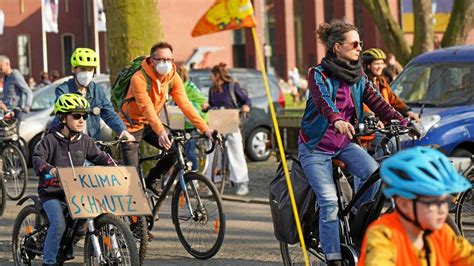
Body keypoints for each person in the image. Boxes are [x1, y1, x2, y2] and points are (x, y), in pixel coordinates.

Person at [298, 19, 411, 265]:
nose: (360, 48)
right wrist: (336, 119)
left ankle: (354, 223)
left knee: (375, 175)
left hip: (343, 143)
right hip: (315, 147)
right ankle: (333, 256)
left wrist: (403, 122)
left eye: (361, 43)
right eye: (355, 44)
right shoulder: (317, 74)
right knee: (329, 202)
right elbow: (323, 101)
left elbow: (378, 102)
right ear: (337, 47)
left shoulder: (358, 75)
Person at [119, 42, 214, 195]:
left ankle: (152, 178)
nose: (166, 63)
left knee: (175, 151)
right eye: (161, 59)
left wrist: (205, 129)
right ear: (151, 60)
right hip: (130, 125)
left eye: (169, 59)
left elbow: (185, 105)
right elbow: (146, 107)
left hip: (150, 123)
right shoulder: (139, 77)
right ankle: (136, 215)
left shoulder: (172, 77)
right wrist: (161, 131)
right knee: (133, 175)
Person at [33, 93, 115, 265]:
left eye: (84, 116)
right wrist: (50, 169)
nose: (82, 120)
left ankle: (67, 243)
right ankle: (49, 261)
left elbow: (99, 156)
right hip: (52, 193)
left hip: (76, 190)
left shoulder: (85, 140)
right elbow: (37, 159)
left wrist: (114, 166)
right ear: (63, 118)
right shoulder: (50, 140)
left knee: (85, 221)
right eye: (76, 115)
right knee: (59, 224)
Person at [359, 147, 473, 265]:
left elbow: (466, 256)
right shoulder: (383, 235)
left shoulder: (442, 234)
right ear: (404, 204)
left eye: (445, 201)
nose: (443, 210)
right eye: (434, 203)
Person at [50, 48, 135, 141]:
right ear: (74, 69)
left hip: (92, 144)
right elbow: (61, 117)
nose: (86, 73)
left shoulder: (97, 91)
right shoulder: (63, 90)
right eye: (82, 69)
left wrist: (123, 131)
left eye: (90, 69)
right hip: (69, 143)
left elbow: (109, 114)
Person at [205, 62, 251, 196]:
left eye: (212, 75)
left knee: (236, 150)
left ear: (216, 75)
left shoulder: (232, 86)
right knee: (212, 152)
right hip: (217, 121)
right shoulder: (212, 90)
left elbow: (246, 100)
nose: (210, 78)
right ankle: (212, 183)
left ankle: (242, 183)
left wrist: (246, 107)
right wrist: (207, 106)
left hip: (231, 120)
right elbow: (212, 104)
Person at [362, 48, 419, 122]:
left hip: (385, 123)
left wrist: (407, 111)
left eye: (382, 63)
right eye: (376, 64)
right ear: (368, 66)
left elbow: (393, 98)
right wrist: (372, 118)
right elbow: (363, 104)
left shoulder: (381, 81)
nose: (380, 67)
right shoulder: (362, 83)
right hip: (369, 125)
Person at [175, 65, 209, 172]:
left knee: (189, 150)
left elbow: (202, 103)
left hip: (188, 123)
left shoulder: (187, 87)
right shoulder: (188, 86)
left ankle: (193, 174)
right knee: (186, 150)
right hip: (182, 122)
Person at [0, 55, 33, 121]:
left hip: (15, 113)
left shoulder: (15, 75)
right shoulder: (6, 77)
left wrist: (27, 106)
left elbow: (28, 92)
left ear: (7, 64)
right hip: (6, 112)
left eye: (1, 65)